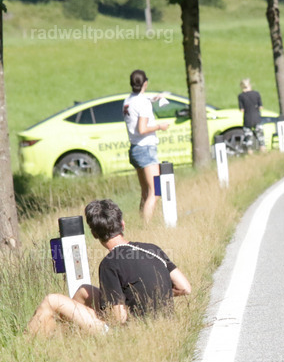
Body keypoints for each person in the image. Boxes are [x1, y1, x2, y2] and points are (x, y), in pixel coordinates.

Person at [26, 199, 192, 337]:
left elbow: (118, 318)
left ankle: (27, 345)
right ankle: (68, 339)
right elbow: (184, 288)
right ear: (122, 224)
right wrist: (152, 296)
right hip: (165, 325)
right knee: (85, 290)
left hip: (131, 334)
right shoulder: (152, 249)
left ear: (94, 234)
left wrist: (94, 316)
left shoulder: (109, 264)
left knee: (51, 301)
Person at [123, 69, 170, 223]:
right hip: (146, 149)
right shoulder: (142, 103)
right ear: (145, 83)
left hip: (135, 148)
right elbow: (142, 129)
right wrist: (159, 126)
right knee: (155, 191)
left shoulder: (128, 101)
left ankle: (141, 223)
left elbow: (140, 102)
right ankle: (147, 226)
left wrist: (153, 98)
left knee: (145, 192)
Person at [238, 78, 265, 152]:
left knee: (248, 137)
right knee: (260, 136)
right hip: (256, 117)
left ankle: (250, 152)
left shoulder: (241, 96)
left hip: (247, 118)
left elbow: (241, 109)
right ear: (250, 85)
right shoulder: (256, 94)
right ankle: (263, 150)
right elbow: (261, 107)